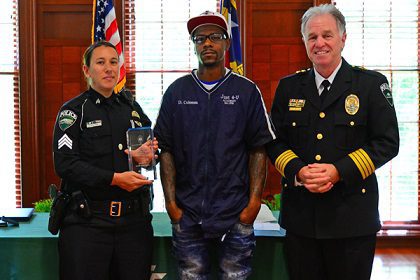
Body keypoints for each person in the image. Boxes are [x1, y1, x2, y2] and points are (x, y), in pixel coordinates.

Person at [266, 4, 399, 280]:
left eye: (327, 35)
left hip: (352, 219)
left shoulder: (370, 85)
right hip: (301, 218)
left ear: (343, 38)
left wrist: (340, 171)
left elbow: (387, 142)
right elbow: (274, 141)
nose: (319, 43)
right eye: (312, 37)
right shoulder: (289, 87)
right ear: (304, 42)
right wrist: (297, 171)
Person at [154, 11, 276, 280]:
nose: (207, 43)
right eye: (199, 38)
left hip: (235, 214)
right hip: (188, 215)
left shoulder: (246, 90)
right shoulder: (177, 92)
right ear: (194, 45)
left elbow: (259, 148)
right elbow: (166, 150)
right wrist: (172, 205)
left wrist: (253, 204)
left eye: (214, 37)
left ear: (226, 43)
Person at [52, 40, 157, 280]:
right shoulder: (73, 112)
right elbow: (65, 164)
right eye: (100, 62)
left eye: (113, 62)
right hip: (88, 224)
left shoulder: (133, 109)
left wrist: (149, 156)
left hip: (133, 225)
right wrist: (114, 179)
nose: (109, 68)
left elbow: (150, 155)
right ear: (87, 70)